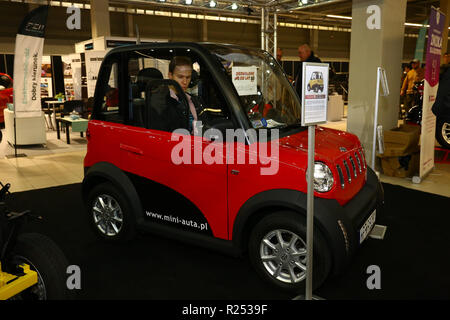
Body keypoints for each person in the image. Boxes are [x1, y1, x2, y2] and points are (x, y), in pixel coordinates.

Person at [167, 56, 204, 134]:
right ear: (170, 76)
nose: (185, 82)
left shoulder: (192, 100)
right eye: (180, 77)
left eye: (188, 77)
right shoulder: (163, 100)